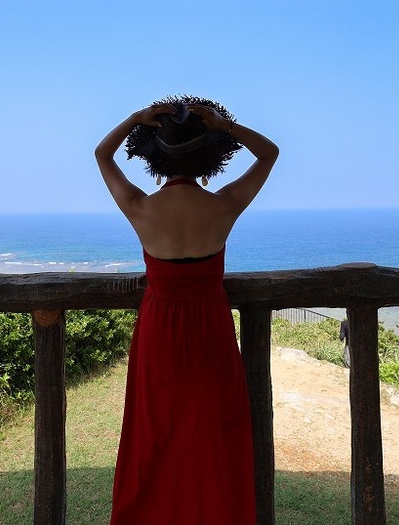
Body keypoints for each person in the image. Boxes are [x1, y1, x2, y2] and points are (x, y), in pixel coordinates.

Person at [95, 95, 278, 525]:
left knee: (155, 429)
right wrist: (227, 127)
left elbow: (102, 154)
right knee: (215, 429)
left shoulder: (140, 207)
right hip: (210, 325)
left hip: (159, 326)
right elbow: (270, 153)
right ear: (208, 155)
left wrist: (136, 119)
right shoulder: (224, 205)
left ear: (156, 157)